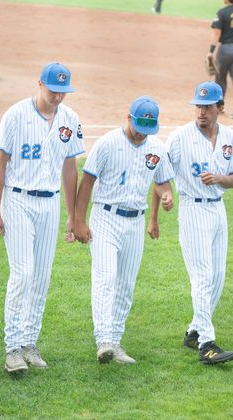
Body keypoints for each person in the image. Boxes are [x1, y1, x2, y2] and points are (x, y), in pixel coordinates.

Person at [0, 62, 84, 375]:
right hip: (17, 200)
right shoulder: (15, 115)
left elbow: (70, 168)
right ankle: (12, 347)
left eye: (63, 92)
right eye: (53, 90)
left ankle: (29, 341)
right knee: (23, 273)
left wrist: (73, 215)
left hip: (50, 203)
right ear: (40, 84)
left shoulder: (70, 120)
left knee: (41, 276)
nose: (58, 97)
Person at [73, 96, 174, 364]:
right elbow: (87, 183)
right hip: (105, 217)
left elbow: (163, 183)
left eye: (148, 129)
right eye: (139, 126)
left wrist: (166, 196)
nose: (142, 134)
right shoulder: (107, 144)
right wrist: (78, 221)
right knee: (106, 278)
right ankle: (104, 339)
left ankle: (115, 341)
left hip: (136, 221)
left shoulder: (157, 147)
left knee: (126, 284)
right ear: (128, 118)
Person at [149, 81, 233, 364]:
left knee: (217, 278)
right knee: (202, 276)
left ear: (220, 108)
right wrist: (157, 211)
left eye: (207, 106)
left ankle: (193, 331)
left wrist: (218, 178)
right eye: (198, 106)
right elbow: (159, 175)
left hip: (218, 210)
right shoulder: (179, 138)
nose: (201, 111)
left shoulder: (229, 137)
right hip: (192, 211)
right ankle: (207, 344)